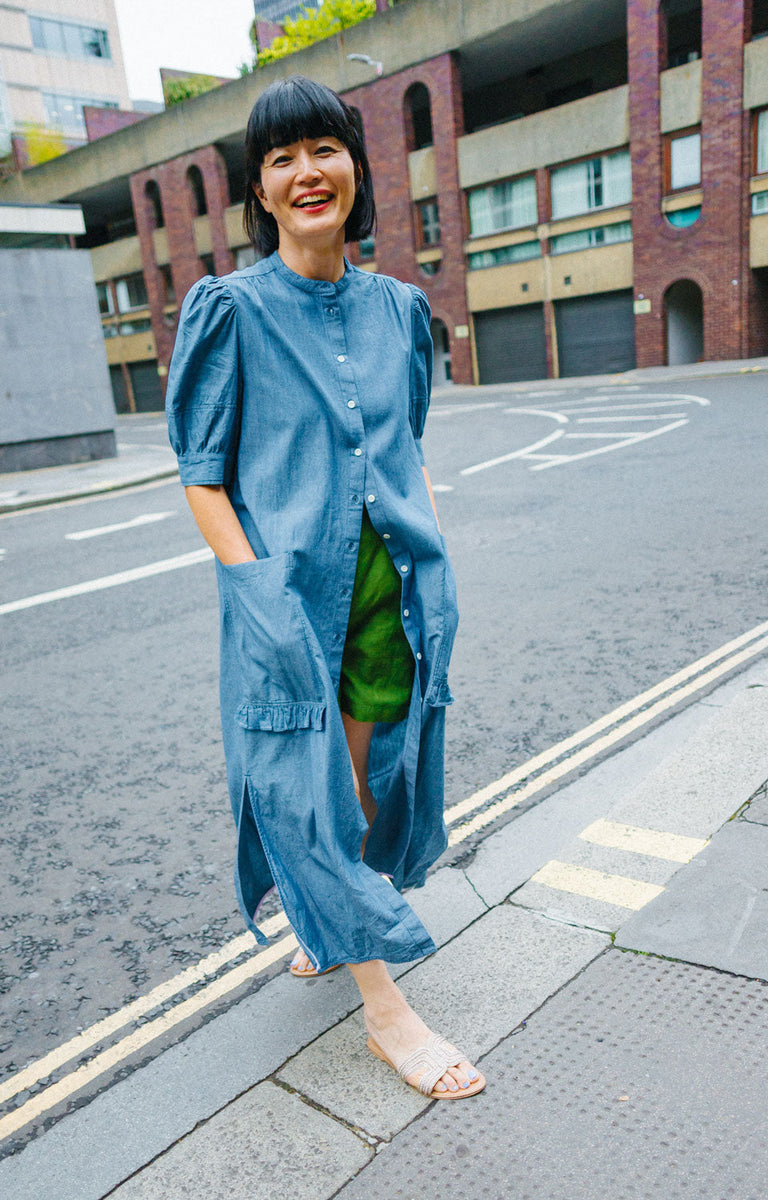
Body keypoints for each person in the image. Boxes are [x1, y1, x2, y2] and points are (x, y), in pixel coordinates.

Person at [166, 74, 485, 1100]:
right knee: (306, 797)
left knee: (361, 791)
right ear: (257, 191)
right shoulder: (230, 311)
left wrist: (433, 558)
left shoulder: (399, 310)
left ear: (356, 165)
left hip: (390, 602)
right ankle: (385, 1013)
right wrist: (255, 591)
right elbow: (201, 477)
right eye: (280, 158)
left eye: (323, 148)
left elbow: (409, 452)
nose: (307, 172)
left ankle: (325, 923)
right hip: (287, 604)